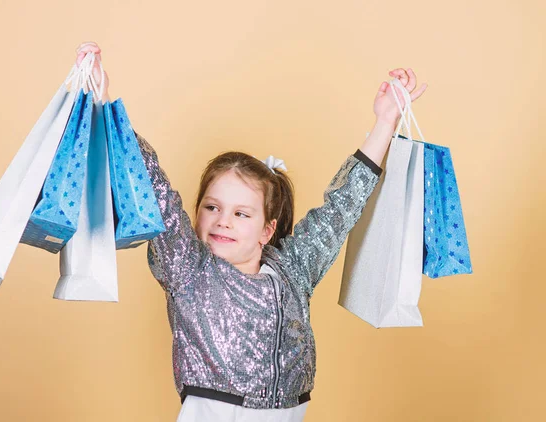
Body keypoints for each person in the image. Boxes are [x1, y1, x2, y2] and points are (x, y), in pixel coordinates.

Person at [75, 41, 427, 421]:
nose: (222, 220)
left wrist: (385, 123)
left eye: (242, 214)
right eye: (212, 207)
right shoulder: (189, 268)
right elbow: (154, 189)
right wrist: (102, 100)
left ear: (267, 230)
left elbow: (340, 209)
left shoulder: (293, 268)